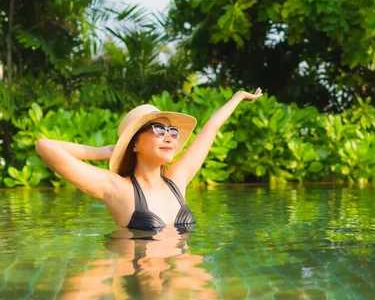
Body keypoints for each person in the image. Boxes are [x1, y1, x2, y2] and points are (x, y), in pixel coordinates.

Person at [36, 88, 263, 233]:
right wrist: (103, 151)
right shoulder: (117, 189)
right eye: (158, 129)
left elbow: (211, 128)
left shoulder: (177, 180)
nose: (169, 137)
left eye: (172, 132)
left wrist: (238, 97)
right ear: (134, 144)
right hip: (140, 284)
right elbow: (45, 147)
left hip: (179, 280)